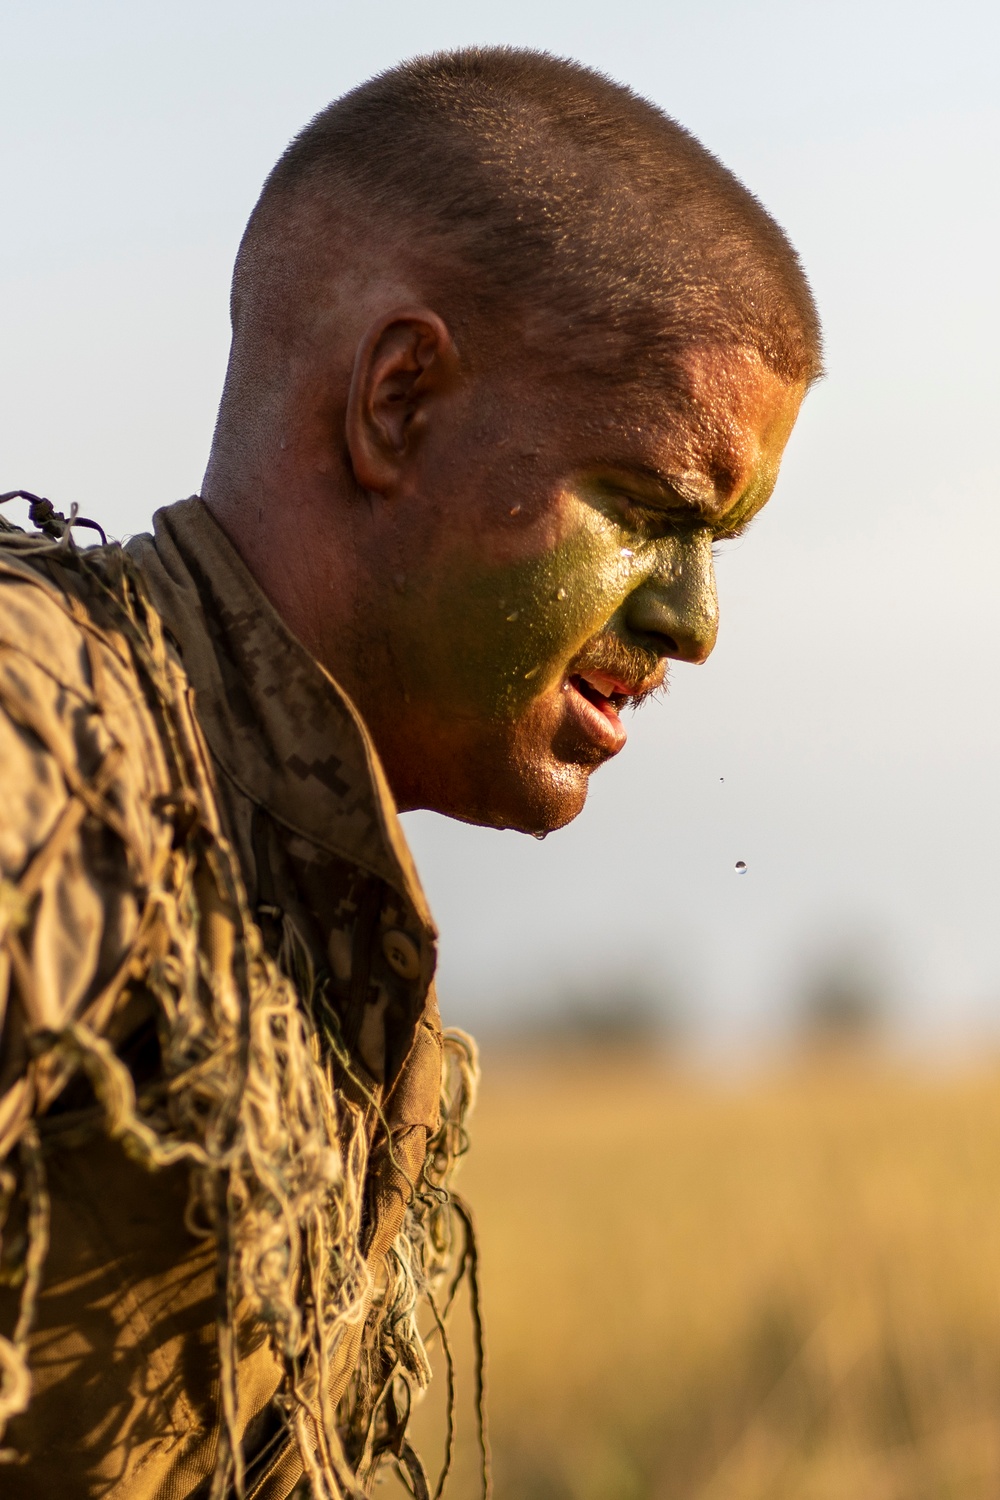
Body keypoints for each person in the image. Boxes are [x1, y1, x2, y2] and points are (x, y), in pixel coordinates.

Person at [0, 45, 821, 1500]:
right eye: (647, 509)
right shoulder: (46, 740)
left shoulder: (295, 874)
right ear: (397, 401)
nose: (692, 622)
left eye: (718, 547)